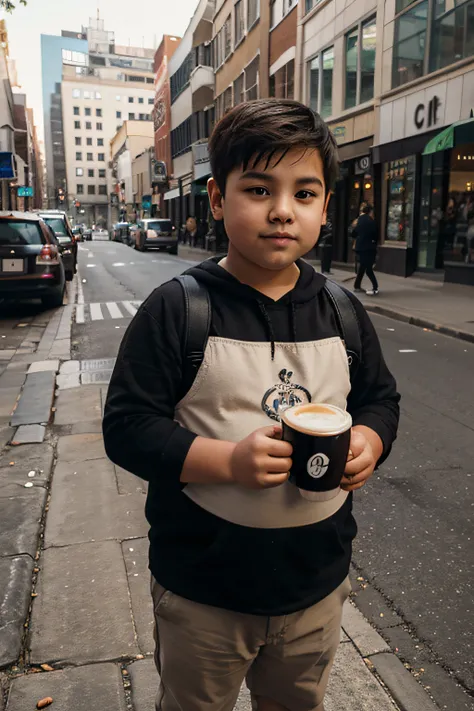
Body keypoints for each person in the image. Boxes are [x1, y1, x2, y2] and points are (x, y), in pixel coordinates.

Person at [103, 99, 400, 711]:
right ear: (217, 198)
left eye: (305, 192)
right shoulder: (177, 309)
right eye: (259, 189)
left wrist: (371, 440)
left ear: (323, 206)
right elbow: (128, 428)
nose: (283, 211)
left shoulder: (343, 312)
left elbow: (380, 399)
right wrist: (226, 463)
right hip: (203, 591)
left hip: (316, 585)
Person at [353, 204, 379, 295]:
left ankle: (357, 286)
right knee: (368, 268)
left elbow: (353, 233)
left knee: (363, 266)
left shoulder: (358, 220)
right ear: (370, 212)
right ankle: (375, 287)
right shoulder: (371, 221)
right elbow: (375, 235)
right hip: (369, 248)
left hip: (360, 247)